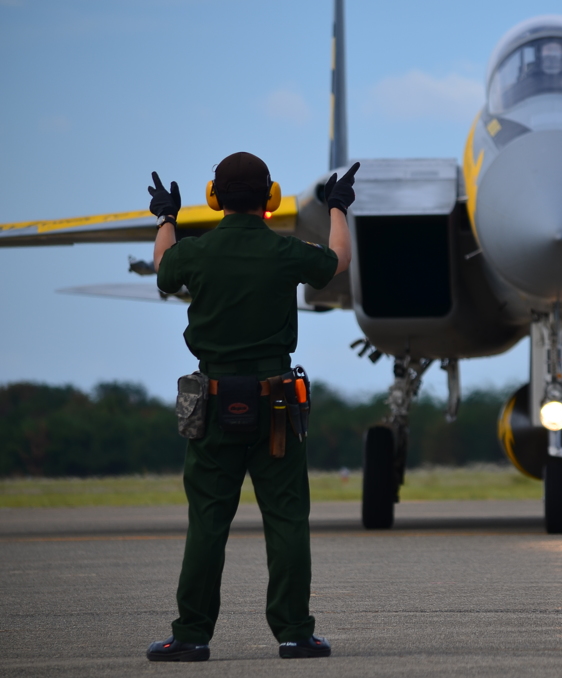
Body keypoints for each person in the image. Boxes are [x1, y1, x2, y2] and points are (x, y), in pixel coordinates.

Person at [144, 152, 359, 662]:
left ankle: (192, 635)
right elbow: (338, 261)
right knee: (286, 521)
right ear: (271, 198)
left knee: (208, 523)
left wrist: (167, 218)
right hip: (276, 408)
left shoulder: (196, 253)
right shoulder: (286, 252)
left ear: (214, 199)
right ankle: (295, 633)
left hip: (214, 407)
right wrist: (337, 207)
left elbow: (162, 268)